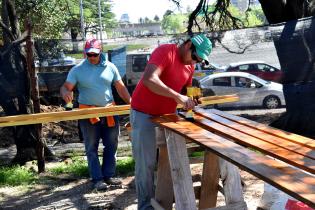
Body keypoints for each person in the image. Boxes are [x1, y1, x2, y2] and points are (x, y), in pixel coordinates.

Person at [130, 34, 212, 209]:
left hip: (167, 115)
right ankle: (145, 206)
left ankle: (165, 200)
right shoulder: (166, 52)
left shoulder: (189, 67)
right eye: (195, 57)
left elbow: (187, 91)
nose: (195, 62)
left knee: (170, 159)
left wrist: (193, 100)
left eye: (199, 60)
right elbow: (149, 79)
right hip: (144, 113)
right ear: (188, 44)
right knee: (146, 164)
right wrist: (178, 96)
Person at [60, 38, 131, 191]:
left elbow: (120, 87)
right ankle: (97, 179)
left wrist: (132, 102)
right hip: (88, 114)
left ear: (100, 52)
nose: (91, 57)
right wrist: (66, 93)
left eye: (94, 54)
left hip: (109, 111)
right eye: (89, 54)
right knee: (91, 147)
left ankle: (109, 175)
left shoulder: (110, 67)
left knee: (111, 145)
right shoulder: (77, 70)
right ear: (85, 53)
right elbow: (66, 87)